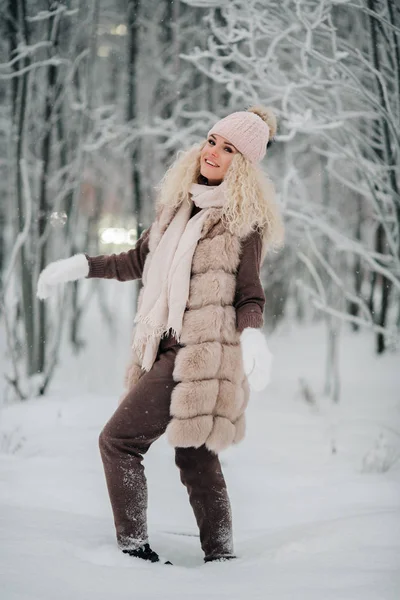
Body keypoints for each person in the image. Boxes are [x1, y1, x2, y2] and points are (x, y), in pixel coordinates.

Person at [37, 106, 284, 565]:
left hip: (199, 354)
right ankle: (222, 558)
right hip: (163, 344)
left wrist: (253, 338)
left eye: (229, 149)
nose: (213, 153)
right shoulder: (179, 206)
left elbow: (250, 295)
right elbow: (137, 261)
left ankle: (134, 553)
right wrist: (81, 266)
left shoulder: (241, 223)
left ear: (243, 165)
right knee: (195, 458)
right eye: (213, 140)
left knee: (118, 441)